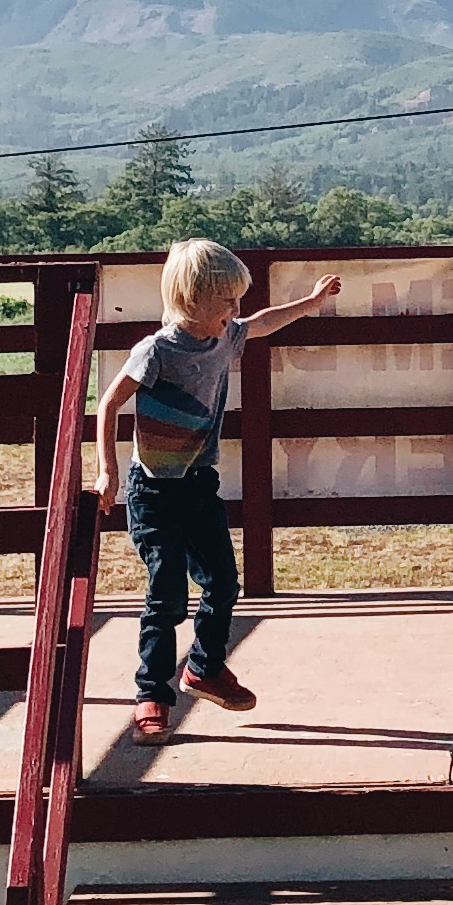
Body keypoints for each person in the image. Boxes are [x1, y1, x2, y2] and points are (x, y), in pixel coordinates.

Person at [94, 237, 341, 742]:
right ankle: (151, 695)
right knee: (166, 593)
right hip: (154, 492)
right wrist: (107, 471)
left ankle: (203, 668)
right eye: (226, 300)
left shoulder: (224, 337)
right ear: (192, 300)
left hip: (199, 485)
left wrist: (312, 304)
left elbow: (265, 321)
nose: (236, 309)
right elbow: (108, 405)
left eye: (236, 299)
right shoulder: (157, 351)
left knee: (224, 583)